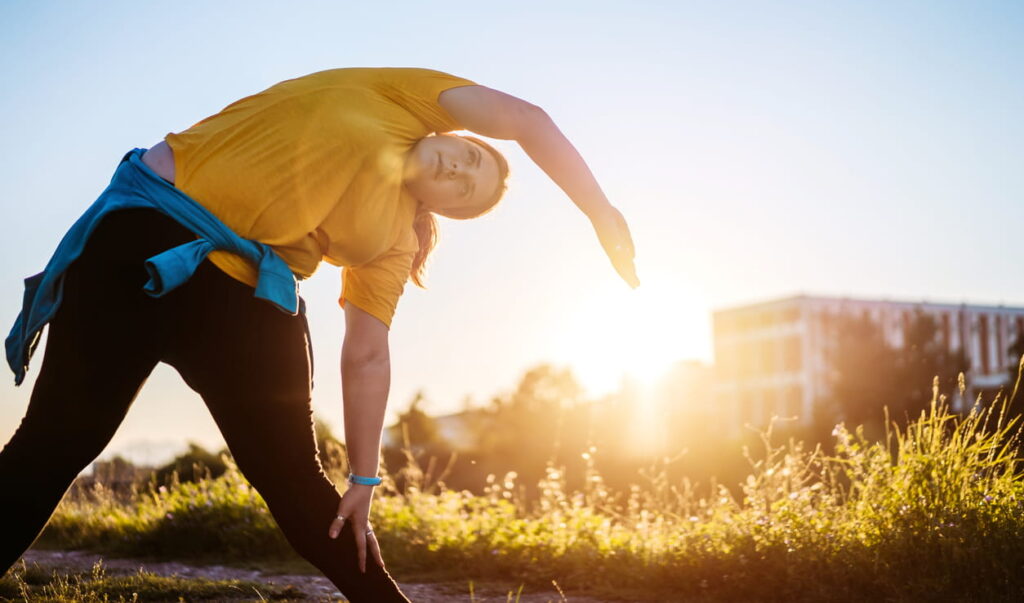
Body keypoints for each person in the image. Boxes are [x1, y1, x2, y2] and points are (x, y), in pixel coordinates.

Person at [0, 67, 638, 601]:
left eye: (466, 192)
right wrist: (600, 211)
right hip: (140, 242)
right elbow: (527, 119)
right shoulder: (402, 98)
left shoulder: (393, 240)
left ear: (442, 211)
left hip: (247, 299)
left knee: (302, 494)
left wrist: (364, 479)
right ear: (458, 133)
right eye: (472, 157)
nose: (459, 172)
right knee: (53, 448)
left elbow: (366, 356)